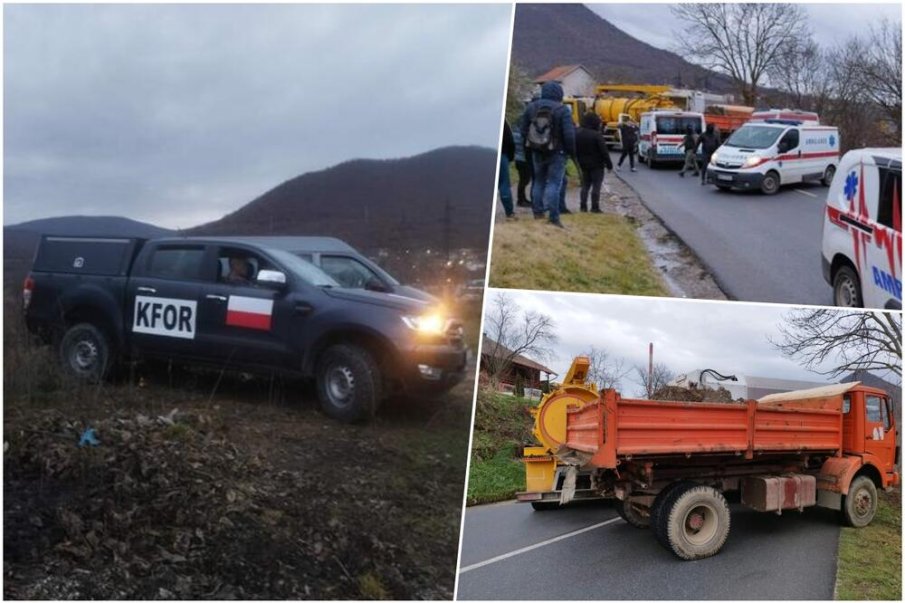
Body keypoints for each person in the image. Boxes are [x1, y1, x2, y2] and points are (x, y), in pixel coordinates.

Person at [519, 81, 576, 228]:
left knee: (538, 182)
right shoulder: (562, 110)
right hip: (557, 152)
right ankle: (554, 217)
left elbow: (523, 130)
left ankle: (538, 213)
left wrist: (532, 144)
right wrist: (570, 152)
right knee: (554, 184)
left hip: (536, 151)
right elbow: (569, 135)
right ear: (559, 94)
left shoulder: (531, 107)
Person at [575, 112, 613, 213]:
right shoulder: (596, 135)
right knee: (596, 186)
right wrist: (609, 165)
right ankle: (594, 207)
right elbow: (604, 151)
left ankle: (583, 206)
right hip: (597, 165)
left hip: (583, 164)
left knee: (585, 185)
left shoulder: (578, 133)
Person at [511, 124, 533, 207]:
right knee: (524, 180)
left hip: (518, 159)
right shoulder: (524, 134)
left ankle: (522, 198)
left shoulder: (514, 134)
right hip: (524, 159)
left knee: (523, 180)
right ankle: (521, 200)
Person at [499, 120, 516, 219]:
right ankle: (509, 212)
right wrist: (511, 156)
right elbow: (510, 140)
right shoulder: (503, 121)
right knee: (504, 184)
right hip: (502, 154)